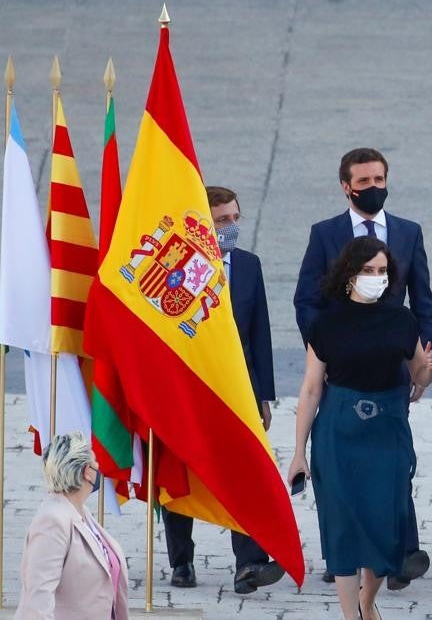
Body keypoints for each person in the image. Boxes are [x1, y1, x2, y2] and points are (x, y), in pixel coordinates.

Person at [293, 147, 432, 586]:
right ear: (346, 186)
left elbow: (422, 299)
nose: (374, 188)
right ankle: (351, 554)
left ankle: (397, 552)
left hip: (393, 369)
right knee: (347, 473)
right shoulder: (325, 233)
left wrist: (422, 364)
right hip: (343, 372)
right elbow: (306, 299)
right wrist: (331, 347)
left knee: (392, 468)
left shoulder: (408, 232)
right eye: (365, 182)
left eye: (380, 180)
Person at [288, 237, 432, 620]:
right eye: (368, 270)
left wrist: (430, 370)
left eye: (382, 271)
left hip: (388, 429)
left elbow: (418, 375)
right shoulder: (326, 323)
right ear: (349, 275)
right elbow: (310, 389)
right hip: (338, 432)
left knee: (385, 526)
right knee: (341, 526)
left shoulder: (402, 320)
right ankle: (350, 615)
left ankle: (366, 600)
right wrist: (297, 453)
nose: (376, 278)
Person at [161, 186, 284, 594]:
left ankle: (248, 562)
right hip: (189, 388)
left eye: (235, 218)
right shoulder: (179, 266)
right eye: (221, 221)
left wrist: (262, 394)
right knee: (182, 471)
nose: (230, 227)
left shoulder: (248, 265)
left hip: (238, 388)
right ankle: (182, 561)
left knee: (243, 472)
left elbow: (259, 332)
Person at [16, 432, 129, 620]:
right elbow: (37, 600)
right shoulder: (52, 521)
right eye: (95, 461)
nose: (98, 466)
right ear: (87, 472)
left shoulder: (79, 511)